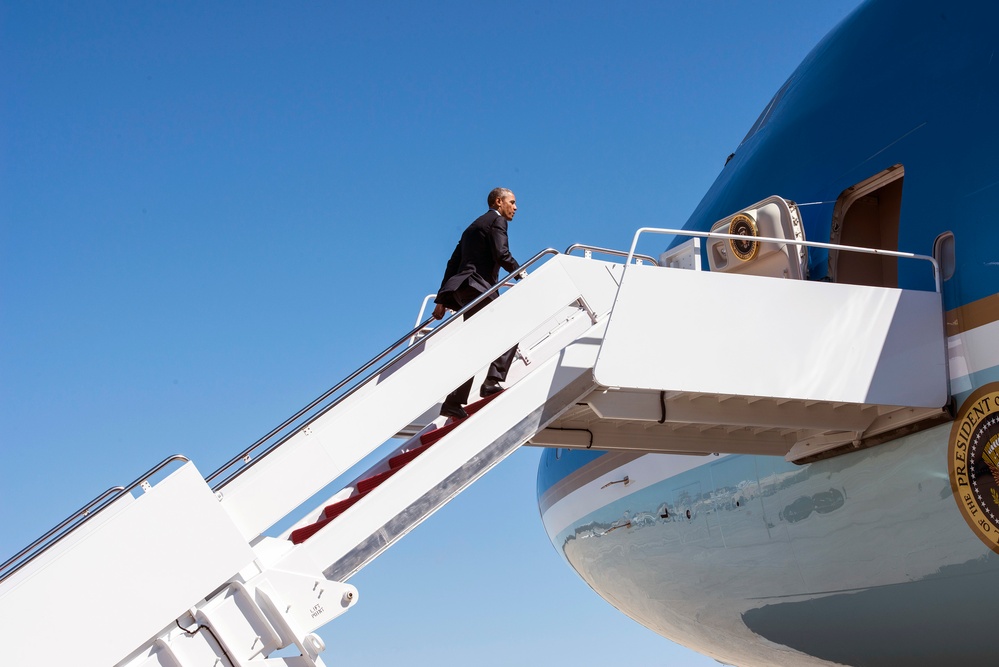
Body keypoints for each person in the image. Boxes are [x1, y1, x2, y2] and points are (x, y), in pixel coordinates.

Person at [433, 187, 523, 420]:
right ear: (498, 202)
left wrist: (441, 299)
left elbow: (453, 262)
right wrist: (522, 274)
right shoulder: (497, 221)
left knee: (476, 343)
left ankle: (454, 401)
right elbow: (502, 253)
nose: (515, 207)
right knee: (515, 327)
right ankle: (492, 381)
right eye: (511, 202)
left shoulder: (471, 227)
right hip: (478, 287)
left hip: (463, 289)